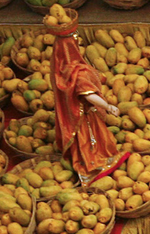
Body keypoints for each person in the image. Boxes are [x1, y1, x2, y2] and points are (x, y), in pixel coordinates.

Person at [44, 4, 127, 183]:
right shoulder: (77, 73)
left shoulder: (60, 68)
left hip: (71, 114)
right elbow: (88, 96)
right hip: (84, 115)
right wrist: (107, 106)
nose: (79, 42)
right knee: (91, 141)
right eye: (75, 40)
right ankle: (93, 165)